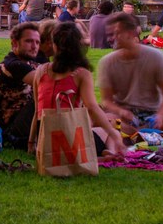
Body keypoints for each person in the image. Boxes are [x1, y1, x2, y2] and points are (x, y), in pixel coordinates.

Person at [28, 22, 125, 157]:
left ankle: (104, 152)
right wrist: (113, 133)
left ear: (54, 45)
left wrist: (31, 142)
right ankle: (110, 151)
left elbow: (37, 110)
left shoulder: (40, 70)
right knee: (111, 128)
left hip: (43, 136)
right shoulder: (81, 74)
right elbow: (92, 108)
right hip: (68, 136)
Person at [100, 12, 163, 133]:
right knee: (105, 119)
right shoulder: (107, 62)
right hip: (125, 115)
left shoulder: (156, 57)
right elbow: (106, 100)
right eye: (109, 34)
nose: (111, 38)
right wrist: (121, 111)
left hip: (153, 114)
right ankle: (140, 133)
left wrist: (160, 115)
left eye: (116, 33)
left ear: (130, 33)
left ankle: (136, 133)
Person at [0, 23, 45, 149]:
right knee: (46, 95)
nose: (34, 47)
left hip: (20, 124)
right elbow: (49, 83)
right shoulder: (13, 65)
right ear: (15, 43)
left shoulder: (28, 63)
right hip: (10, 133)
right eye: (29, 41)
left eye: (37, 42)